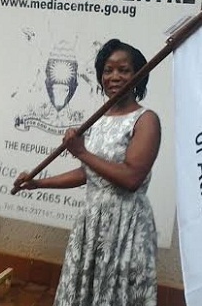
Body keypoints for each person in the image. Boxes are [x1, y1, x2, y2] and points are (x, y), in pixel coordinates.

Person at [14, 39, 161, 306]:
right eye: (108, 70)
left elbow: (131, 178)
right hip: (92, 221)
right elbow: (88, 173)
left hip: (125, 225)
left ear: (138, 74)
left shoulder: (146, 119)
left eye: (123, 70)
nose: (114, 76)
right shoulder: (101, 118)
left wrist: (81, 151)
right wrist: (38, 183)